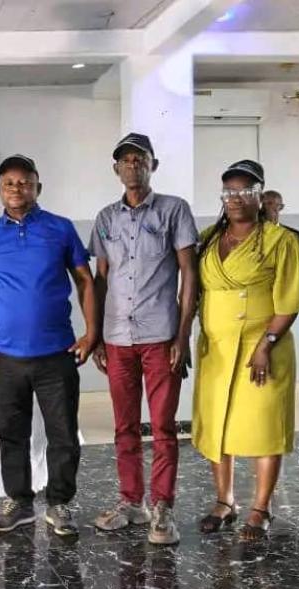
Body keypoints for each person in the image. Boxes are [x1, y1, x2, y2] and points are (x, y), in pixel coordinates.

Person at [0, 154, 98, 537]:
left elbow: (85, 281)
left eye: (25, 182)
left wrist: (92, 333)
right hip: (4, 355)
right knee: (10, 432)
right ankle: (19, 501)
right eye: (9, 183)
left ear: (37, 187)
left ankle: (60, 504)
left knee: (62, 434)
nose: (17, 188)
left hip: (56, 354)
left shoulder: (60, 229)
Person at [89, 133, 198, 545]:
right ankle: (131, 501)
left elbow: (190, 273)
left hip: (160, 336)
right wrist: (97, 335)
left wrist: (182, 335)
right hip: (118, 337)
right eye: (125, 160)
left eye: (140, 159)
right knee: (124, 426)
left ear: (153, 165)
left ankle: (162, 509)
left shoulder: (174, 210)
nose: (133, 166)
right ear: (115, 168)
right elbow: (101, 278)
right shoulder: (105, 218)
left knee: (165, 427)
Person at [193, 159, 299, 541]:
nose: (236, 198)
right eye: (229, 192)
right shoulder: (209, 237)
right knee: (217, 427)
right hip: (217, 350)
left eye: (245, 191)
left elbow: (289, 302)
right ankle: (224, 502)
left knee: (263, 426)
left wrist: (266, 345)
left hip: (262, 349)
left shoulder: (282, 241)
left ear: (260, 195)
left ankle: (261, 507)